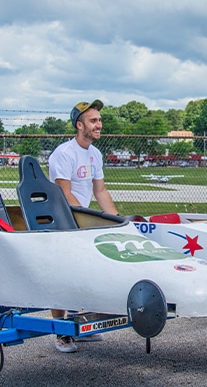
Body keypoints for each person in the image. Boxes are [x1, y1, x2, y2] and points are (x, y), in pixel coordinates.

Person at [48, 99, 119, 353]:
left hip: (81, 220)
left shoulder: (94, 154)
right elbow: (64, 194)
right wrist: (89, 219)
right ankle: (60, 332)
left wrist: (116, 220)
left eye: (99, 120)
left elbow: (100, 191)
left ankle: (78, 325)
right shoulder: (64, 154)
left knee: (82, 270)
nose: (99, 125)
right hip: (61, 221)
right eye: (93, 120)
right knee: (61, 274)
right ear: (80, 125)